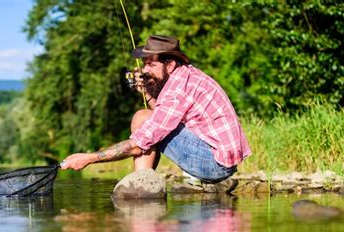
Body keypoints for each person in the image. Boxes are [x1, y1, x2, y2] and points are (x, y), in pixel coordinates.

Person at [61, 35, 251, 183]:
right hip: (221, 160)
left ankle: (142, 186)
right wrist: (147, 92)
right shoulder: (185, 76)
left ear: (169, 64)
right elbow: (161, 117)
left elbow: (142, 140)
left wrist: (90, 158)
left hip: (214, 164)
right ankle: (144, 183)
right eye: (144, 64)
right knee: (147, 119)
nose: (144, 71)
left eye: (151, 64)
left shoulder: (177, 89)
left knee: (142, 118)